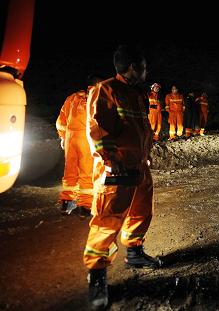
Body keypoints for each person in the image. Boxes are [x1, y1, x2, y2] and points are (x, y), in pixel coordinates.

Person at [84, 45, 162, 309]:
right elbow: (96, 128)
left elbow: (142, 130)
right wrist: (110, 161)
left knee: (142, 211)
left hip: (138, 167)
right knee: (108, 220)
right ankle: (97, 275)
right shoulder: (105, 90)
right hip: (116, 168)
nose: (146, 71)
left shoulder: (135, 95)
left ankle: (135, 252)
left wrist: (145, 153)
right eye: (143, 66)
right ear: (132, 68)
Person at [55, 77, 101, 219]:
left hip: (70, 138)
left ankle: (67, 203)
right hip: (86, 139)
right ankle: (85, 207)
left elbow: (61, 120)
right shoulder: (96, 98)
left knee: (70, 171)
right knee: (86, 173)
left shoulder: (72, 98)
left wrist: (63, 137)